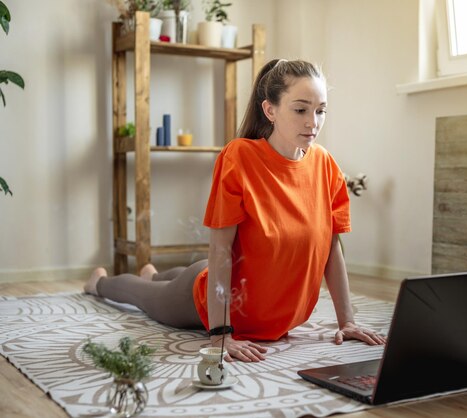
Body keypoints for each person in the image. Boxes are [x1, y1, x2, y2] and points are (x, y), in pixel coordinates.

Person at [85, 59, 386, 362]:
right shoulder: (240, 157)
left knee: (180, 275)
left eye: (320, 110)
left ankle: (153, 274)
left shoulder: (326, 166)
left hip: (265, 309)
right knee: (143, 297)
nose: (313, 122)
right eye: (300, 110)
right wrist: (221, 333)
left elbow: (331, 251)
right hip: (217, 300)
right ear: (270, 110)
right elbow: (219, 250)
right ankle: (98, 283)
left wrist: (347, 322)